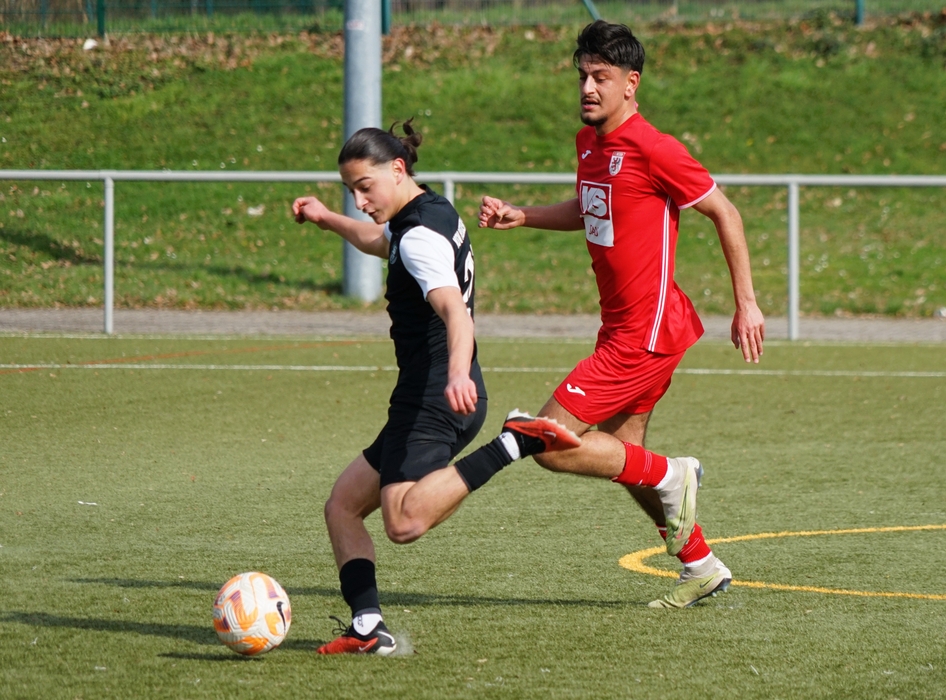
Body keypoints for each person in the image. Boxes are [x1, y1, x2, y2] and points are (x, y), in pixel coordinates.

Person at [478, 21, 765, 608]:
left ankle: (674, 473)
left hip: (644, 334)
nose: (587, 87)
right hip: (629, 327)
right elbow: (590, 210)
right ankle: (701, 566)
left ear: (631, 84)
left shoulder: (655, 148)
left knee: (553, 444)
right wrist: (523, 215)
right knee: (623, 457)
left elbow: (726, 213)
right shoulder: (590, 144)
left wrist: (748, 304)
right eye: (581, 75)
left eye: (600, 77)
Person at [292, 120, 580, 655]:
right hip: (431, 391)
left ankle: (514, 441)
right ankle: (366, 626)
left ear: (397, 169)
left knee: (403, 520)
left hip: (435, 394)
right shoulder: (428, 211)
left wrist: (454, 371)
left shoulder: (420, 235)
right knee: (343, 505)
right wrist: (328, 219)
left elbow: (454, 312)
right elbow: (383, 243)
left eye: (365, 187)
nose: (358, 201)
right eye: (350, 190)